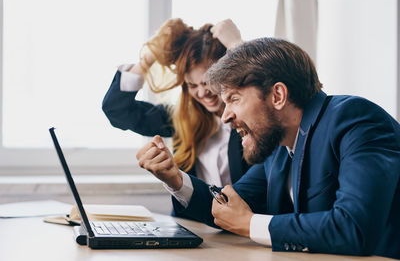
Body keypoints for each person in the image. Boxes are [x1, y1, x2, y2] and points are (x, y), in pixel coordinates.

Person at [136, 37, 400, 259]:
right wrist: (175, 179)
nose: (225, 116)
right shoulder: (278, 149)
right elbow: (228, 209)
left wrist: (252, 224)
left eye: (234, 99)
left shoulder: (356, 120)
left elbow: (354, 228)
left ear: (277, 96)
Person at [102, 19, 250, 216]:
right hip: (194, 227)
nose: (203, 93)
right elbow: (117, 109)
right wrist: (148, 58)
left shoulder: (254, 120)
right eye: (193, 85)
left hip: (243, 225)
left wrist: (237, 46)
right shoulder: (182, 118)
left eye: (208, 82)